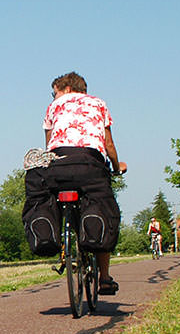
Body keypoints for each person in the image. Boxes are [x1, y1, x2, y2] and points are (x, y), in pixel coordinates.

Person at [42, 72, 126, 294]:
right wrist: (117, 168)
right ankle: (105, 278)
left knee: (50, 197)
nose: (54, 97)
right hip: (90, 165)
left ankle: (62, 241)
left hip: (59, 164)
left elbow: (49, 144)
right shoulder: (98, 103)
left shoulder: (54, 106)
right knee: (104, 210)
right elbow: (108, 144)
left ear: (67, 89)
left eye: (55, 92)